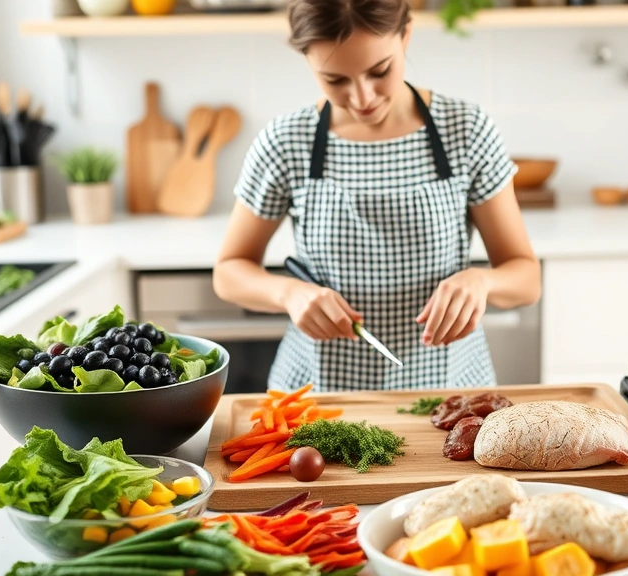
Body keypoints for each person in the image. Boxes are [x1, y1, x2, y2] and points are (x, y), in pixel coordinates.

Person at [213, 0, 541, 392]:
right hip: (317, 395)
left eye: (380, 70)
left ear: (406, 34)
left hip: (447, 390)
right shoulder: (287, 140)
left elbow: (526, 277)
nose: (362, 97)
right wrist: (289, 293)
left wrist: (481, 283)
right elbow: (229, 271)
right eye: (335, 80)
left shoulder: (466, 130)